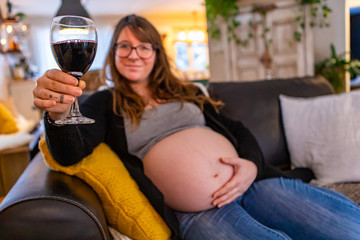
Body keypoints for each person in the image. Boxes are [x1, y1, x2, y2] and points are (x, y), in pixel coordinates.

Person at [33, 14, 360, 240]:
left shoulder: (187, 92)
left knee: (346, 226)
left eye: (144, 45)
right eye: (124, 46)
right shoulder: (104, 102)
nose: (135, 53)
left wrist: (250, 166)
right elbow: (69, 153)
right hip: (198, 213)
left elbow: (238, 129)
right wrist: (59, 115)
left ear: (156, 53)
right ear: (112, 53)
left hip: (253, 185)